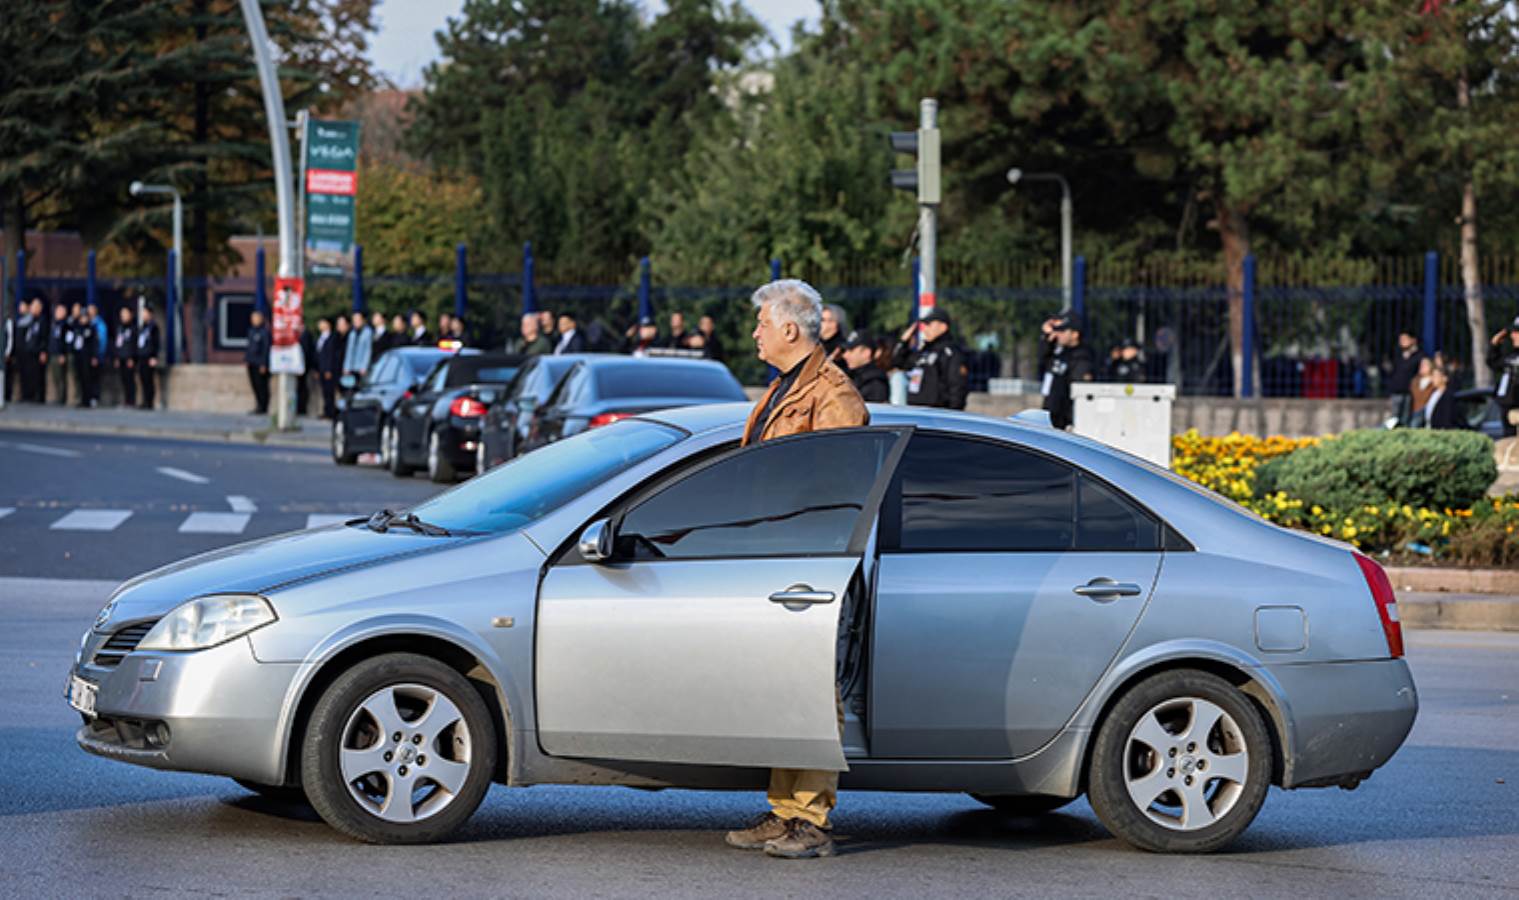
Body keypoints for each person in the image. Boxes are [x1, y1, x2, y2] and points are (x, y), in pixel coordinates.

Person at [725, 279, 866, 861]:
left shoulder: (833, 394)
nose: (755, 331)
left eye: (762, 322)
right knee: (786, 688)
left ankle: (811, 818)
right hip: (778, 559)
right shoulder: (787, 385)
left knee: (812, 690)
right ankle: (786, 810)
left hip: (812, 568)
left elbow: (840, 486)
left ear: (790, 328)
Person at [890, 308, 968, 409]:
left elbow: (957, 388)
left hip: (937, 413)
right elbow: (898, 362)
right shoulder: (924, 351)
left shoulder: (950, 352)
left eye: (929, 324)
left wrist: (952, 415)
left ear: (943, 327)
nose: (925, 329)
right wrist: (903, 341)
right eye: (924, 325)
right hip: (916, 409)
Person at [1039, 312, 1095, 430]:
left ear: (1075, 334)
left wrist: (1070, 421)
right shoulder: (1060, 352)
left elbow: (1078, 390)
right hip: (1052, 415)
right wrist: (1046, 338)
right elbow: (1042, 361)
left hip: (1065, 420)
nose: (1058, 334)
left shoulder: (1082, 356)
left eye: (1063, 331)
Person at [1488, 318, 1519, 435]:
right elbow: (1493, 363)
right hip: (1506, 406)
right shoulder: (1512, 355)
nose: (1512, 336)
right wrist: (1495, 345)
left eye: (1517, 333)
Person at [839, 329, 889, 402]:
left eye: (851, 350)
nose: (845, 355)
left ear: (866, 353)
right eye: (845, 351)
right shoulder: (852, 376)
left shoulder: (875, 383)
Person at [1387, 330, 1424, 425]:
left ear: (1413, 340)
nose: (1402, 342)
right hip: (1396, 391)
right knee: (1393, 419)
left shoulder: (1419, 356)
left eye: (1404, 339)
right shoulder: (1398, 354)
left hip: (1409, 392)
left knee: (1405, 419)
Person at [18, 298, 45, 402]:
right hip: (28, 351)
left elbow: (43, 337)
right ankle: (28, 395)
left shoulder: (42, 321)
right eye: (32, 306)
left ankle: (38, 396)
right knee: (27, 374)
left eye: (35, 307)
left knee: (37, 375)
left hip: (37, 352)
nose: (33, 309)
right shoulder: (29, 320)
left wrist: (43, 351)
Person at [245, 309, 271, 415]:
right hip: (252, 362)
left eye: (256, 318)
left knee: (262, 385)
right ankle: (258, 405)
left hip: (260, 363)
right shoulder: (251, 331)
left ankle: (263, 406)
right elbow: (249, 347)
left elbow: (266, 349)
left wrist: (264, 363)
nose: (254, 320)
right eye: (253, 318)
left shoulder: (264, 332)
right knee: (254, 385)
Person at [80, 303, 106, 407]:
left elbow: (100, 342)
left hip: (93, 356)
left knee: (93, 378)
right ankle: (85, 398)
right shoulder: (83, 326)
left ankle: (93, 398)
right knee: (85, 378)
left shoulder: (97, 325)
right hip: (84, 357)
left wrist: (98, 356)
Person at [316, 317, 342, 419]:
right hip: (321, 369)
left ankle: (331, 412)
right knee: (324, 392)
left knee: (329, 392)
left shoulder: (332, 338)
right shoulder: (320, 338)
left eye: (322, 322)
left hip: (328, 370)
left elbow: (331, 355)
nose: (320, 325)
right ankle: (326, 411)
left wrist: (328, 369)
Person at [135, 304, 160, 409]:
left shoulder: (153, 327)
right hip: (142, 356)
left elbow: (156, 343)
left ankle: (150, 402)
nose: (143, 315)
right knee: (142, 379)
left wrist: (154, 356)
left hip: (149, 357)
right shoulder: (143, 326)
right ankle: (144, 400)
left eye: (145, 313)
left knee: (149, 380)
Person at [47, 303, 71, 405]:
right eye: (57, 311)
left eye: (60, 311)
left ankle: (62, 397)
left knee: (61, 377)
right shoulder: (54, 324)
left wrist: (62, 354)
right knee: (54, 377)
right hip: (53, 353)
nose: (58, 313)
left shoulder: (65, 325)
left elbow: (65, 341)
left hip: (60, 354)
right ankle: (55, 397)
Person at [113, 305, 136, 408]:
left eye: (125, 314)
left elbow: (134, 344)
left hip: (129, 357)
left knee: (130, 379)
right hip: (121, 356)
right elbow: (118, 343)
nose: (123, 316)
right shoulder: (120, 328)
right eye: (122, 314)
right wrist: (117, 356)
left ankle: (131, 400)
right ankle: (126, 400)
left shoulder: (133, 328)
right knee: (123, 379)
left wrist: (132, 357)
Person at [297, 321, 317, 416]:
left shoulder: (306, 334)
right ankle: (298, 408)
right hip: (297, 366)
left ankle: (302, 408)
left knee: (303, 388)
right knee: (298, 387)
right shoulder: (296, 334)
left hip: (305, 366)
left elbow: (309, 351)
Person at [343, 311, 371, 377]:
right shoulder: (352, 334)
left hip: (361, 368)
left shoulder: (368, 332)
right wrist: (346, 367)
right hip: (351, 367)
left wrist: (364, 367)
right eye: (354, 320)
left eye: (358, 319)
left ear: (363, 320)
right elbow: (349, 351)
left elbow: (368, 351)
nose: (356, 322)